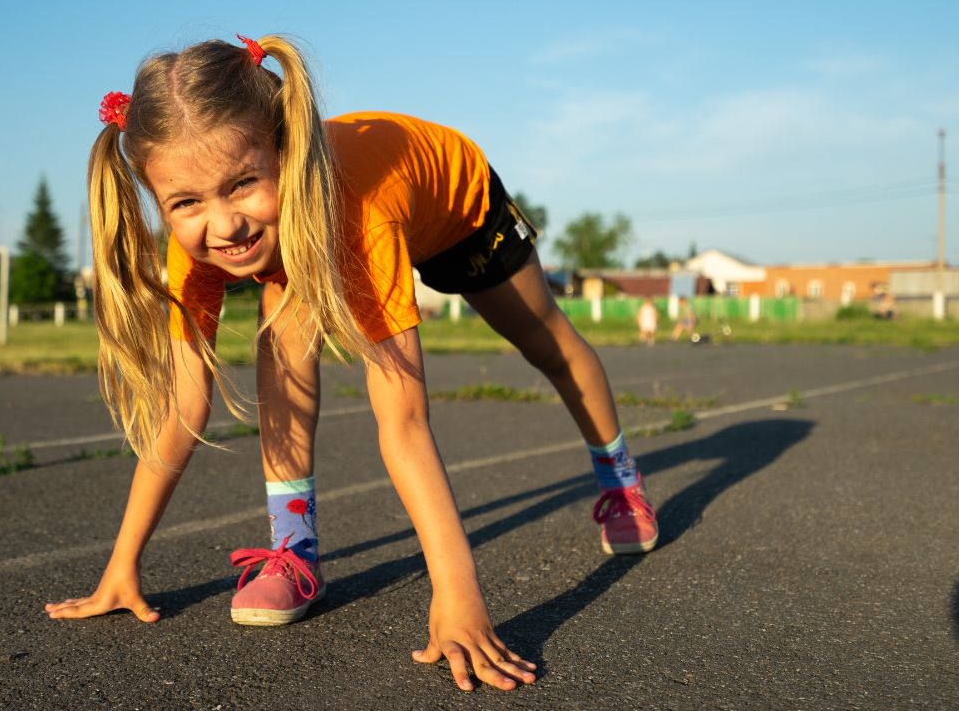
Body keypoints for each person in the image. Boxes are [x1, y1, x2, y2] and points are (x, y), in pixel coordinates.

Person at [44, 34, 657, 693]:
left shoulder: (359, 214)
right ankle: (293, 550)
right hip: (316, 218)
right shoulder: (195, 245)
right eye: (186, 203)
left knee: (548, 346)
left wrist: (459, 597)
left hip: (455, 209)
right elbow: (183, 405)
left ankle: (620, 480)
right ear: (160, 199)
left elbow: (404, 421)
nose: (223, 224)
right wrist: (122, 565)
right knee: (280, 338)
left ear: (283, 150)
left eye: (243, 184)